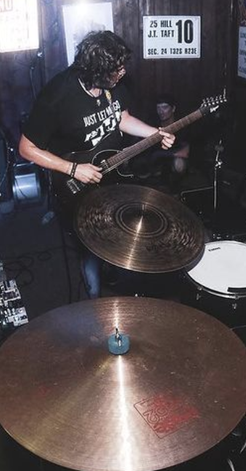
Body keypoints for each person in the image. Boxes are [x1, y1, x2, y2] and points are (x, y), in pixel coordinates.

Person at [19, 30, 175, 299]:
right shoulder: (58, 95)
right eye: (117, 69)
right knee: (91, 247)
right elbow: (26, 148)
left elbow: (122, 118)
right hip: (74, 181)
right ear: (97, 71)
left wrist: (155, 133)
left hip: (112, 171)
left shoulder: (114, 85)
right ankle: (94, 300)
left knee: (123, 232)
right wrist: (73, 169)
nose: (123, 72)